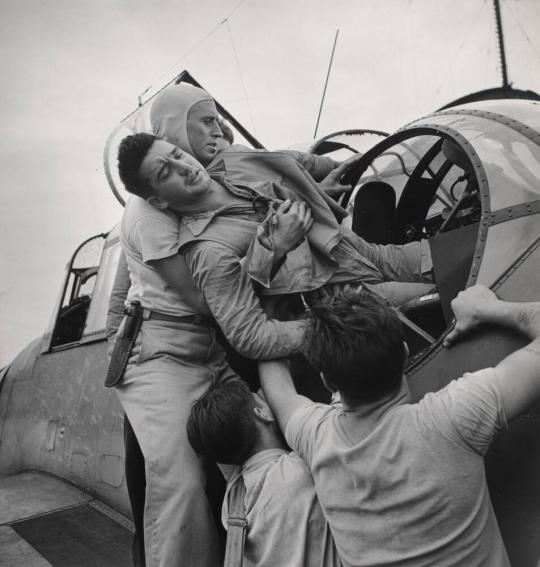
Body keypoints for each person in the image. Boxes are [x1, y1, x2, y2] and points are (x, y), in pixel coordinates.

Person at [258, 284, 540, 566]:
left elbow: (280, 392)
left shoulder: (316, 437)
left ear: (327, 382)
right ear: (405, 352)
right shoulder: (453, 417)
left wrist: (262, 320)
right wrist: (488, 309)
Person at [117, 133, 434, 359]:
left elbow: (295, 164)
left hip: (372, 256)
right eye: (166, 172)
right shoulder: (208, 250)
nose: (183, 167)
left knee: (460, 252)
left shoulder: (238, 165)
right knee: (448, 292)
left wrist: (327, 179)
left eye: (176, 155)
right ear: (158, 199)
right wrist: (338, 326)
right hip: (354, 303)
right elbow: (250, 336)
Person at [186, 378, 341, 567]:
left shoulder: (233, 497)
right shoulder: (301, 468)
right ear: (262, 413)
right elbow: (342, 418)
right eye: (261, 399)